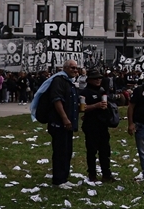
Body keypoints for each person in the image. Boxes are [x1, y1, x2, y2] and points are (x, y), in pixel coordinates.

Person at [30, 60, 80, 188]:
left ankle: (64, 177)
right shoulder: (59, 80)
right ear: (65, 68)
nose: (75, 70)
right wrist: (64, 118)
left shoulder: (69, 82)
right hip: (59, 123)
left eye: (76, 68)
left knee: (67, 151)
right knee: (60, 152)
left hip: (68, 124)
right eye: (72, 68)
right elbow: (57, 100)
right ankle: (58, 180)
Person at [81, 69, 114, 183]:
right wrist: (96, 105)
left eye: (99, 78)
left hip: (102, 124)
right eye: (95, 78)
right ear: (89, 80)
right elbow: (82, 108)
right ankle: (92, 174)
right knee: (92, 151)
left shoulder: (102, 90)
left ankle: (106, 174)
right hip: (91, 124)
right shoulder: (85, 92)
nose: (98, 80)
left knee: (105, 150)